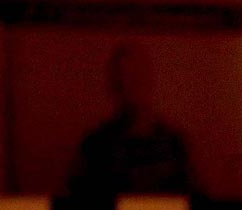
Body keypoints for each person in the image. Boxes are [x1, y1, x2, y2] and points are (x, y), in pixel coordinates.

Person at [67, 43, 196, 199]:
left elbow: (196, 203)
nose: (129, 86)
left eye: (136, 77)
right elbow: (77, 205)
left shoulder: (174, 144)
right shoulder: (95, 146)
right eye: (123, 79)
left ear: (149, 80)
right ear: (114, 85)